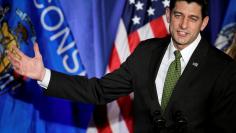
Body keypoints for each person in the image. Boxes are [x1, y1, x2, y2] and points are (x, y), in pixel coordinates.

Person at [7, 0, 236, 132]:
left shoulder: (222, 69)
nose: (184, 25)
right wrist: (43, 74)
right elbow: (98, 91)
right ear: (168, 15)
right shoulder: (146, 51)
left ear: (204, 22)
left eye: (193, 18)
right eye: (178, 15)